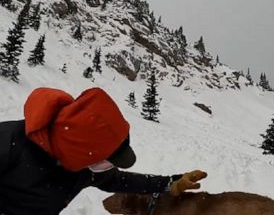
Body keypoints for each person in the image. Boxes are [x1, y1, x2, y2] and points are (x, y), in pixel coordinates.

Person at [0, 87, 207, 215]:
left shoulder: (83, 168)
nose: (106, 168)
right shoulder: (9, 143)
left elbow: (121, 181)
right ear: (80, 150)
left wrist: (171, 183)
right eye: (106, 161)